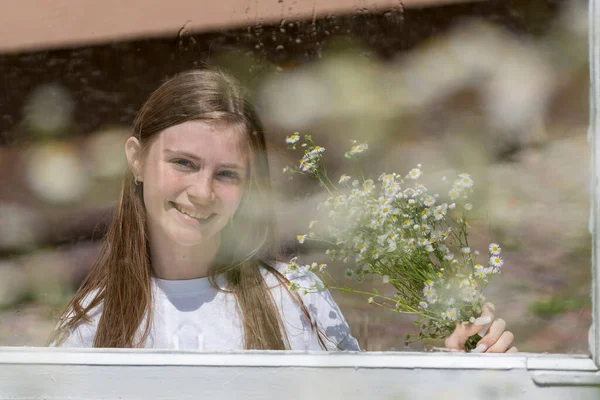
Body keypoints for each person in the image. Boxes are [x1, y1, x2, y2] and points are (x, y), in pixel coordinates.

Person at [48, 67, 517, 353]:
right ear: (136, 160)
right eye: (184, 164)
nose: (202, 191)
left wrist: (453, 366)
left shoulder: (294, 300)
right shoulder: (95, 322)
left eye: (227, 174)